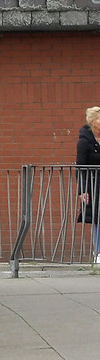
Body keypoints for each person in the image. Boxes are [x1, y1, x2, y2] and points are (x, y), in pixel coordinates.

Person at [76, 106, 100, 261]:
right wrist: (82, 191)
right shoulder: (84, 142)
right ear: (93, 122)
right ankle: (98, 252)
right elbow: (80, 168)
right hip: (94, 185)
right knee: (97, 218)